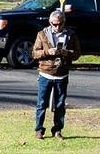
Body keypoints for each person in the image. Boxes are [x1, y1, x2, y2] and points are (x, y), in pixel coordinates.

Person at [32, 8, 81, 140]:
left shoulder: (71, 35)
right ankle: (39, 130)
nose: (57, 27)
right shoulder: (42, 34)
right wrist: (48, 52)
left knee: (60, 105)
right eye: (54, 24)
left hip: (62, 75)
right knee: (41, 104)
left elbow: (77, 54)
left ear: (64, 22)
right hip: (45, 74)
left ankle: (57, 130)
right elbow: (34, 53)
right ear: (50, 22)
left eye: (60, 24)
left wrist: (67, 53)